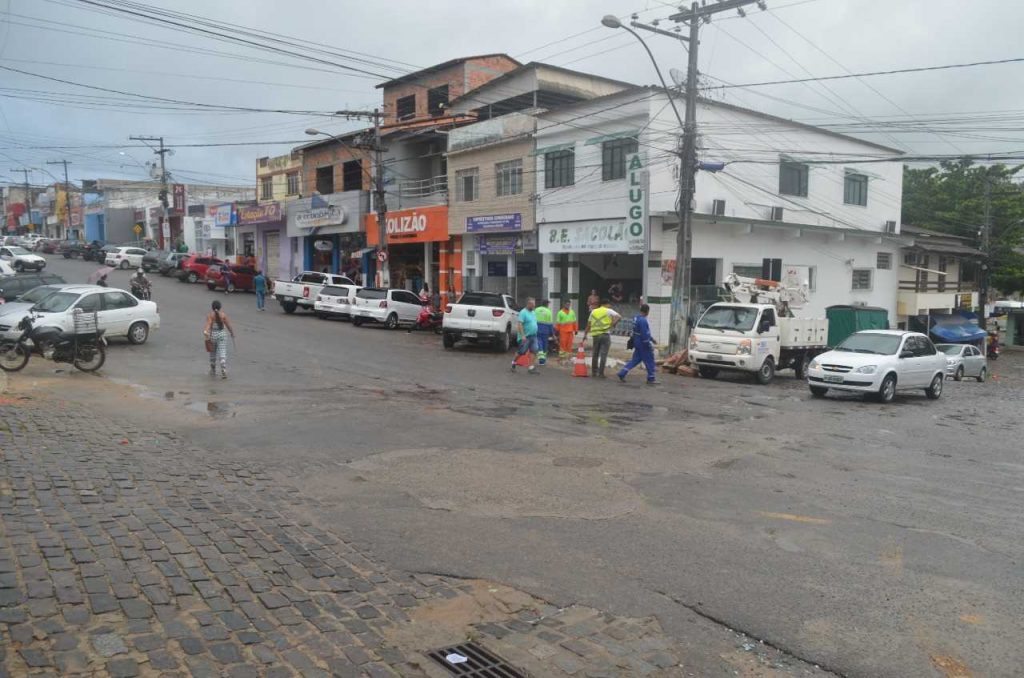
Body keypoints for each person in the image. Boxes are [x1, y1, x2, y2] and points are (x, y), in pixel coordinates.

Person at [618, 304, 658, 385]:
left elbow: (638, 331)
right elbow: (644, 333)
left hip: (637, 341)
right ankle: (651, 377)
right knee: (649, 359)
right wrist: (648, 343)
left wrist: (652, 339)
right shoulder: (643, 320)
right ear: (647, 311)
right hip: (642, 343)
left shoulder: (636, 318)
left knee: (635, 359)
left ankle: (622, 372)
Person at [580, 298, 621, 378]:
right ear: (606, 304)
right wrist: (612, 324)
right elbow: (619, 317)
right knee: (603, 354)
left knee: (595, 354)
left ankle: (594, 372)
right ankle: (601, 373)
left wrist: (585, 335)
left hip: (595, 335)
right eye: (609, 305)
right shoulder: (608, 310)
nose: (609, 306)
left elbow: (589, 324)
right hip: (605, 335)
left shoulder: (593, 311)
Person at [203, 300, 235, 379]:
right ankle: (223, 369)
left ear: (212, 307)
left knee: (212, 353)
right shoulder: (223, 315)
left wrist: (206, 331)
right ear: (220, 307)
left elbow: (208, 324)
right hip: (222, 335)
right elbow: (228, 325)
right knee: (222, 351)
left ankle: (213, 370)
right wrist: (232, 333)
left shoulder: (210, 315)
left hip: (213, 335)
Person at [511, 297, 539, 375]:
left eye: (534, 304)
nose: (534, 306)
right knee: (522, 352)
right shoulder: (523, 312)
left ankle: (531, 367)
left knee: (534, 350)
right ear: (528, 304)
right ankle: (513, 362)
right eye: (532, 304)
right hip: (525, 337)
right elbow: (520, 324)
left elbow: (533, 323)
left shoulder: (533, 312)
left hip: (533, 336)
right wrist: (523, 336)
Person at [534, 300, 554, 365]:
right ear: (547, 304)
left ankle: (541, 359)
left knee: (539, 343)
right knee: (545, 344)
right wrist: (552, 333)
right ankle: (543, 359)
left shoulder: (536, 310)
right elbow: (550, 324)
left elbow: (532, 319)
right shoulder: (549, 312)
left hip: (537, 329)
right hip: (545, 330)